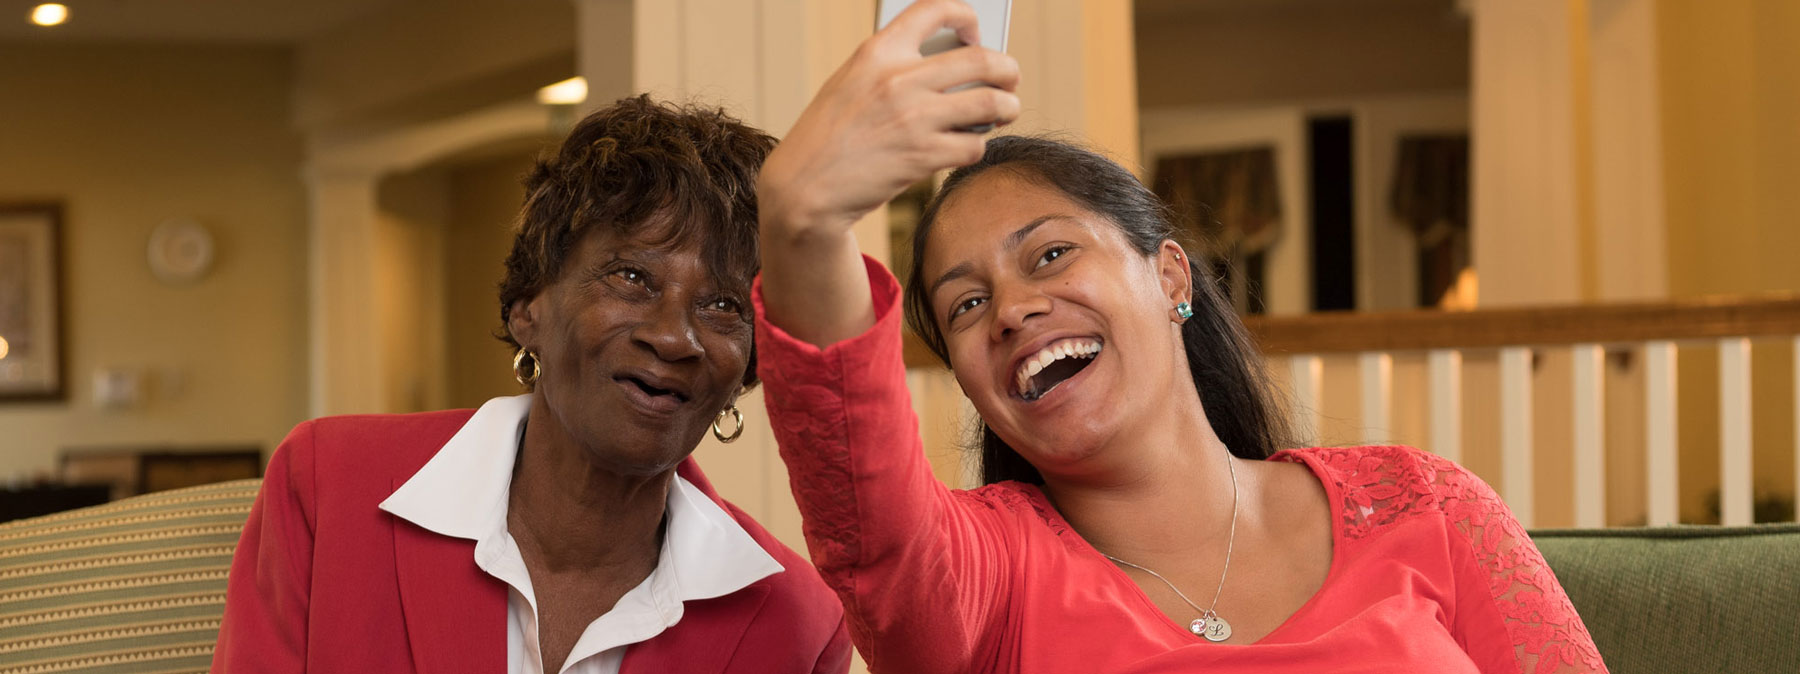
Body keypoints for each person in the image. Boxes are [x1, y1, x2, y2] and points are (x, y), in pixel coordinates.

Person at [750, 2, 1607, 673]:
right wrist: (802, 221)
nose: (1011, 309)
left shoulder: (1428, 506)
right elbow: (864, 499)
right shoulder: (983, 581)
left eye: (1050, 254)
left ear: (1170, 278)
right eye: (967, 306)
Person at [213, 95, 851, 674]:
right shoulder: (328, 486)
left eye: (725, 306)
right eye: (632, 277)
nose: (674, 337)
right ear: (529, 307)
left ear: (749, 366)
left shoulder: (798, 625)